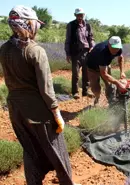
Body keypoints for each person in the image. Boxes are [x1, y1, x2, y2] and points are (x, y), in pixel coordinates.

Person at [0, 5, 77, 185]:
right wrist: (57, 113)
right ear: (29, 24)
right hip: (37, 111)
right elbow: (46, 88)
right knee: (57, 150)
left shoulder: (4, 49)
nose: (37, 28)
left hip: (15, 110)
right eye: (36, 24)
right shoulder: (35, 51)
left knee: (30, 149)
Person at [86, 36, 128, 106]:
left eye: (117, 48)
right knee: (96, 89)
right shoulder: (101, 52)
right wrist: (118, 83)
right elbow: (104, 74)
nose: (115, 50)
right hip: (92, 69)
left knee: (110, 87)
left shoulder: (118, 49)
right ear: (109, 44)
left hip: (104, 65)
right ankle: (97, 98)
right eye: (114, 48)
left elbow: (121, 58)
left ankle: (111, 103)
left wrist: (122, 72)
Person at [65, 8, 94, 99]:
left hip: (86, 52)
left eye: (81, 15)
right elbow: (68, 40)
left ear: (83, 15)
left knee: (86, 73)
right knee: (76, 74)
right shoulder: (71, 25)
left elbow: (91, 38)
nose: (80, 17)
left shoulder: (88, 25)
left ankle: (86, 92)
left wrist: (92, 46)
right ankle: (75, 92)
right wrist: (68, 53)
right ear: (75, 15)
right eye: (78, 15)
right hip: (75, 53)